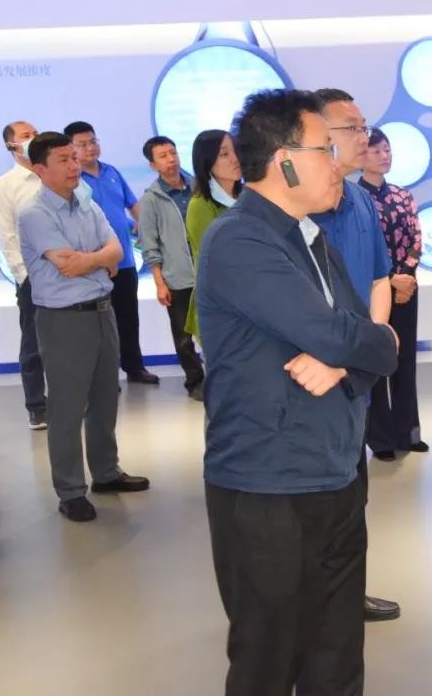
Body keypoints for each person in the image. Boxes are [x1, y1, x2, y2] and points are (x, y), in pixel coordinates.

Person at [199, 89, 399, 695]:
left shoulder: (313, 239)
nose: (338, 164)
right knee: (269, 661)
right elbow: (343, 334)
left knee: (335, 656)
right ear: (284, 161)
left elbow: (370, 343)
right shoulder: (238, 241)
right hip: (268, 486)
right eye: (324, 150)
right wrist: (360, 345)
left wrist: (347, 363)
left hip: (335, 471)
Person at [18, 132, 151, 522]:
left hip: (102, 311)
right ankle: (71, 490)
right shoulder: (34, 213)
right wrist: (98, 258)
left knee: (105, 398)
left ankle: (106, 473)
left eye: (74, 158)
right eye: (63, 159)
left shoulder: (87, 203)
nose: (74, 165)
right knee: (67, 407)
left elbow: (117, 249)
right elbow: (67, 264)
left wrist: (90, 258)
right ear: (40, 169)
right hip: (63, 319)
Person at [312, 87, 404, 623]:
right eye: (351, 127)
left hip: (354, 378)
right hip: (314, 379)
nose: (364, 136)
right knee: (317, 502)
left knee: (353, 495)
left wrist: (369, 346)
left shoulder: (361, 201)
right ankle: (315, 605)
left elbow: (378, 279)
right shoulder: (297, 211)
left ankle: (348, 593)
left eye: (364, 125)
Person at [63, 121, 159, 386]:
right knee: (99, 324)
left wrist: (145, 227)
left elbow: (133, 206)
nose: (90, 148)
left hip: (125, 261)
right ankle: (105, 377)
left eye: (93, 141)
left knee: (129, 318)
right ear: (71, 148)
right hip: (94, 264)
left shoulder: (112, 172)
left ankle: (135, 368)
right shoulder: (72, 180)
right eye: (82, 144)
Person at [359, 126, 427, 460]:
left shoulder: (403, 195)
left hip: (407, 288)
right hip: (373, 291)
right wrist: (389, 280)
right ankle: (381, 439)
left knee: (405, 362)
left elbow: (416, 239)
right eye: (376, 150)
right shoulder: (353, 199)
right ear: (362, 156)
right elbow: (362, 250)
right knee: (376, 362)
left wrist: (406, 277)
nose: (384, 155)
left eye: (386, 149)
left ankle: (408, 433)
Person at [137, 136, 204, 400]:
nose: (171, 159)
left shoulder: (199, 187)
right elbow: (150, 244)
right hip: (177, 277)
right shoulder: (152, 199)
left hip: (207, 273)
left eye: (173, 153)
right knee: (183, 336)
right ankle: (195, 382)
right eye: (163, 156)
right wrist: (159, 283)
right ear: (153, 165)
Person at [0, 120, 47, 428]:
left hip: (68, 271)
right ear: (10, 145)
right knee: (33, 343)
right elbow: (7, 236)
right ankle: (37, 406)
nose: (33, 138)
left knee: (70, 341)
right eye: (26, 136)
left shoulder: (52, 175)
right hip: (32, 277)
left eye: (35, 133)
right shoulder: (4, 186)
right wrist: (24, 276)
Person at [184, 129, 242, 342]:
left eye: (235, 151)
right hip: (221, 308)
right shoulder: (200, 205)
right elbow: (215, 261)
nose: (235, 159)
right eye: (224, 154)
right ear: (207, 162)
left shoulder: (247, 198)